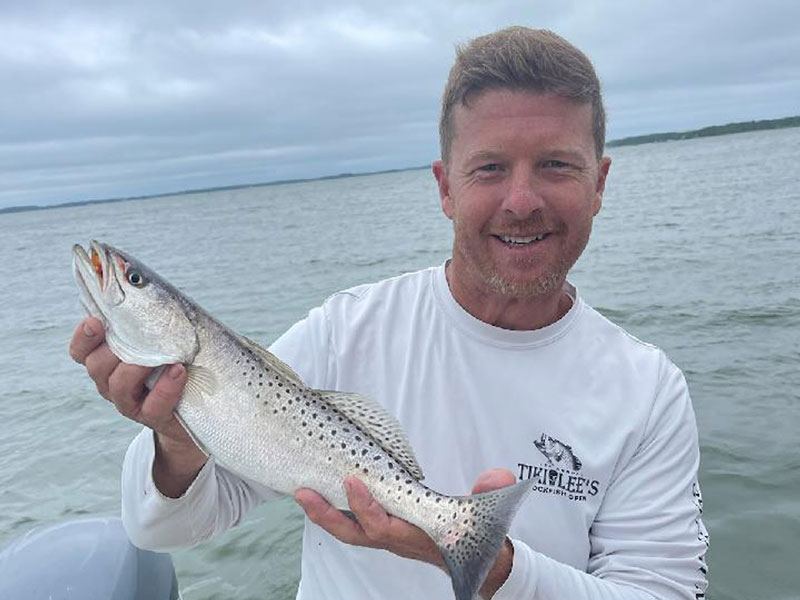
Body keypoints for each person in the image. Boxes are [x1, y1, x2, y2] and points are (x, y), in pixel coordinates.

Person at [69, 27, 708, 600]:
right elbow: (166, 530)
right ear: (445, 187)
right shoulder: (345, 329)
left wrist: (496, 567)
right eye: (489, 168)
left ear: (599, 184)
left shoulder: (648, 391)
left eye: (555, 166)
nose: (520, 201)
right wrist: (176, 442)